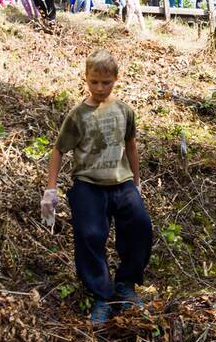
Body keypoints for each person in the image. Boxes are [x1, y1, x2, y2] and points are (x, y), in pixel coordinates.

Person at [41, 49, 153, 325]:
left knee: (140, 226)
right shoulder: (78, 114)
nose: (100, 88)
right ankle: (102, 294)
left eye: (106, 82)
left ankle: (126, 284)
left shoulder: (124, 111)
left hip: (122, 181)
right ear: (86, 79)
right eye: (94, 82)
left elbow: (131, 145)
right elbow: (58, 150)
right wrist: (50, 189)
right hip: (88, 184)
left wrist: (136, 183)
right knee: (90, 234)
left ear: (116, 79)